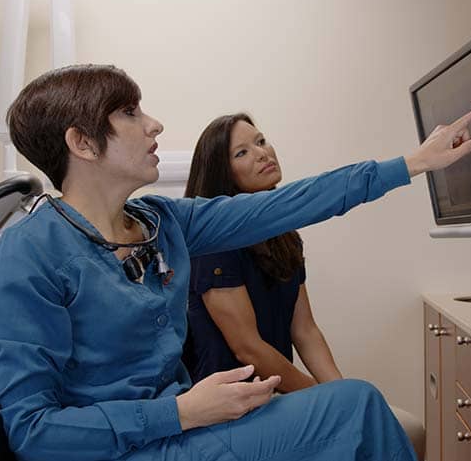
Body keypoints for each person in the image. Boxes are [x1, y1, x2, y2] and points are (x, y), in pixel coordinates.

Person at [0, 64, 471, 461]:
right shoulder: (27, 259)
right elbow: (33, 434)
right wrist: (178, 413)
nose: (154, 124)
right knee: (356, 406)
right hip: (131, 448)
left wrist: (412, 164)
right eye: (129, 113)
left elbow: (291, 203)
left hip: (184, 430)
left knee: (355, 403)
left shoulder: (161, 222)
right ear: (82, 143)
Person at [182, 113, 425, 455]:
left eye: (261, 141)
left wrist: (339, 391)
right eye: (242, 153)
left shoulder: (285, 238)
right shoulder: (214, 247)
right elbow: (247, 347)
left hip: (272, 396)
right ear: (223, 175)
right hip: (229, 410)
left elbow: (306, 330)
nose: (262, 153)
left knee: (366, 405)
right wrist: (321, 397)